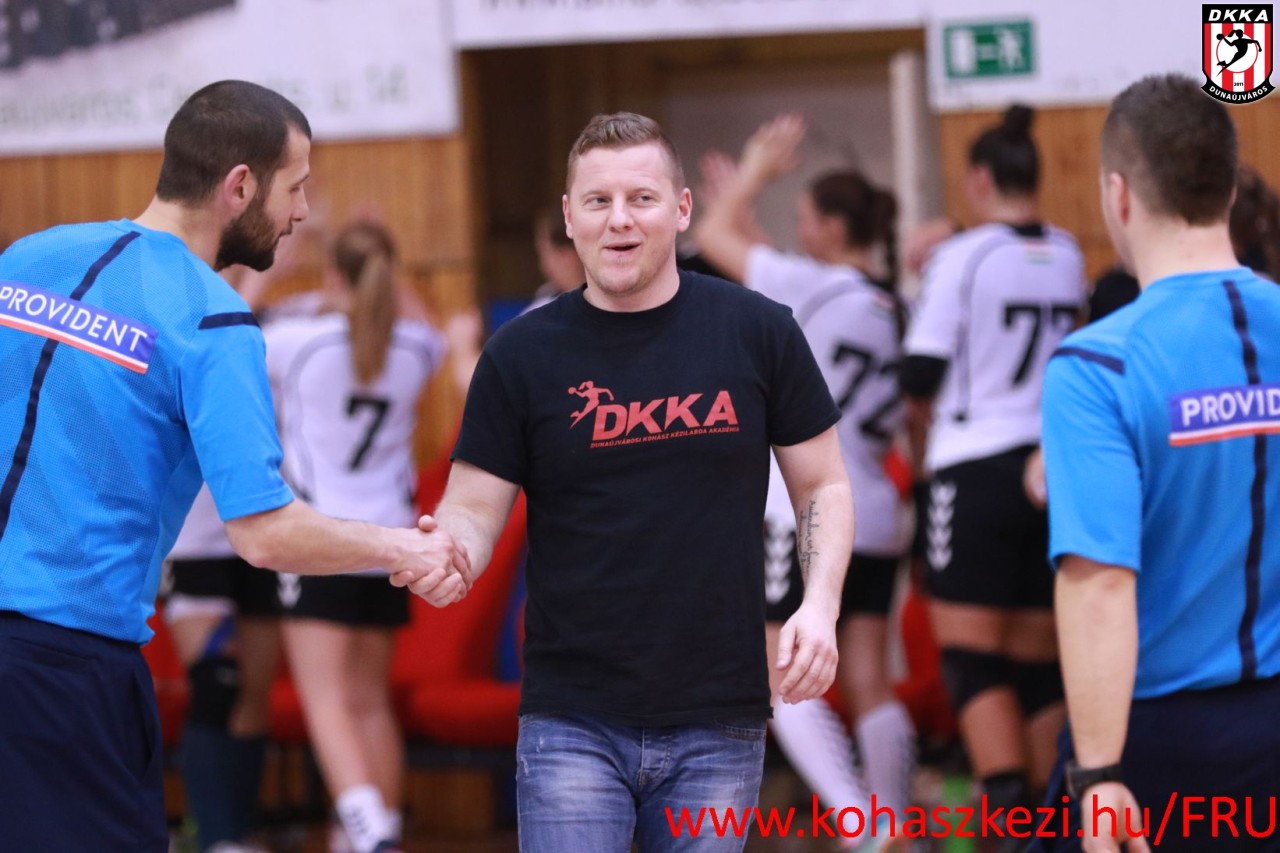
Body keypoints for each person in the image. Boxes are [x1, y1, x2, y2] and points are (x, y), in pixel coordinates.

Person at [0, 80, 466, 852]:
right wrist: (403, 547)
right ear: (240, 186)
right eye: (296, 186)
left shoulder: (27, 259)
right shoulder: (214, 320)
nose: (303, 211)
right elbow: (264, 532)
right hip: (66, 666)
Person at [425, 111, 855, 853]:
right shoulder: (520, 354)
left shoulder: (759, 330)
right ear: (570, 217)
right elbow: (472, 505)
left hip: (719, 713)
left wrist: (818, 606)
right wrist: (450, 552)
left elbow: (823, 485)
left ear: (682, 210)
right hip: (571, 717)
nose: (619, 219)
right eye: (598, 201)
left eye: (642, 198)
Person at [1036, 73, 1280, 853]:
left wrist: (1099, 771)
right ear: (1229, 187)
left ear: (1118, 193)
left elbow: (1100, 581)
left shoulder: (1097, 365)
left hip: (1164, 739)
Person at [693, 113, 915, 842]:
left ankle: (860, 823)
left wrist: (754, 171)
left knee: (779, 674)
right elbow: (772, 269)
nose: (797, 230)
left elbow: (712, 239)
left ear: (831, 227)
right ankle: (893, 821)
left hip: (806, 509)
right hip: (877, 510)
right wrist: (746, 210)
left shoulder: (811, 287)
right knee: (870, 678)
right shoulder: (895, 303)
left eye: (807, 218)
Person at [899, 104, 1085, 843]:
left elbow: (919, 374)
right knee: (1038, 667)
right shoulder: (1068, 251)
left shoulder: (963, 256)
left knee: (972, 660)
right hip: (1051, 474)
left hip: (972, 472)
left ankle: (1008, 826)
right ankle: (1045, 824)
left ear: (979, 179)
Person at [268, 220, 446, 853]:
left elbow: (224, 324)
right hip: (389, 542)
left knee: (327, 701)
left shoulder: (294, 342)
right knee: (370, 701)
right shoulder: (417, 347)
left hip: (319, 540)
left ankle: (367, 833)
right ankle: (377, 830)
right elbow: (432, 329)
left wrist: (285, 265)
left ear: (334, 278)